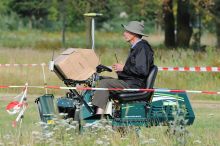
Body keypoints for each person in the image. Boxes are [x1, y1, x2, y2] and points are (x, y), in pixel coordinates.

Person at [92, 21, 154, 114]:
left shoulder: (142, 48)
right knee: (102, 79)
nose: (124, 33)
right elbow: (134, 69)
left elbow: (142, 71)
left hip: (134, 85)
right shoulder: (137, 47)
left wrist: (124, 68)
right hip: (130, 82)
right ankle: (109, 113)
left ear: (134, 34)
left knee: (104, 84)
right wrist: (121, 71)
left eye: (127, 31)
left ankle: (99, 117)